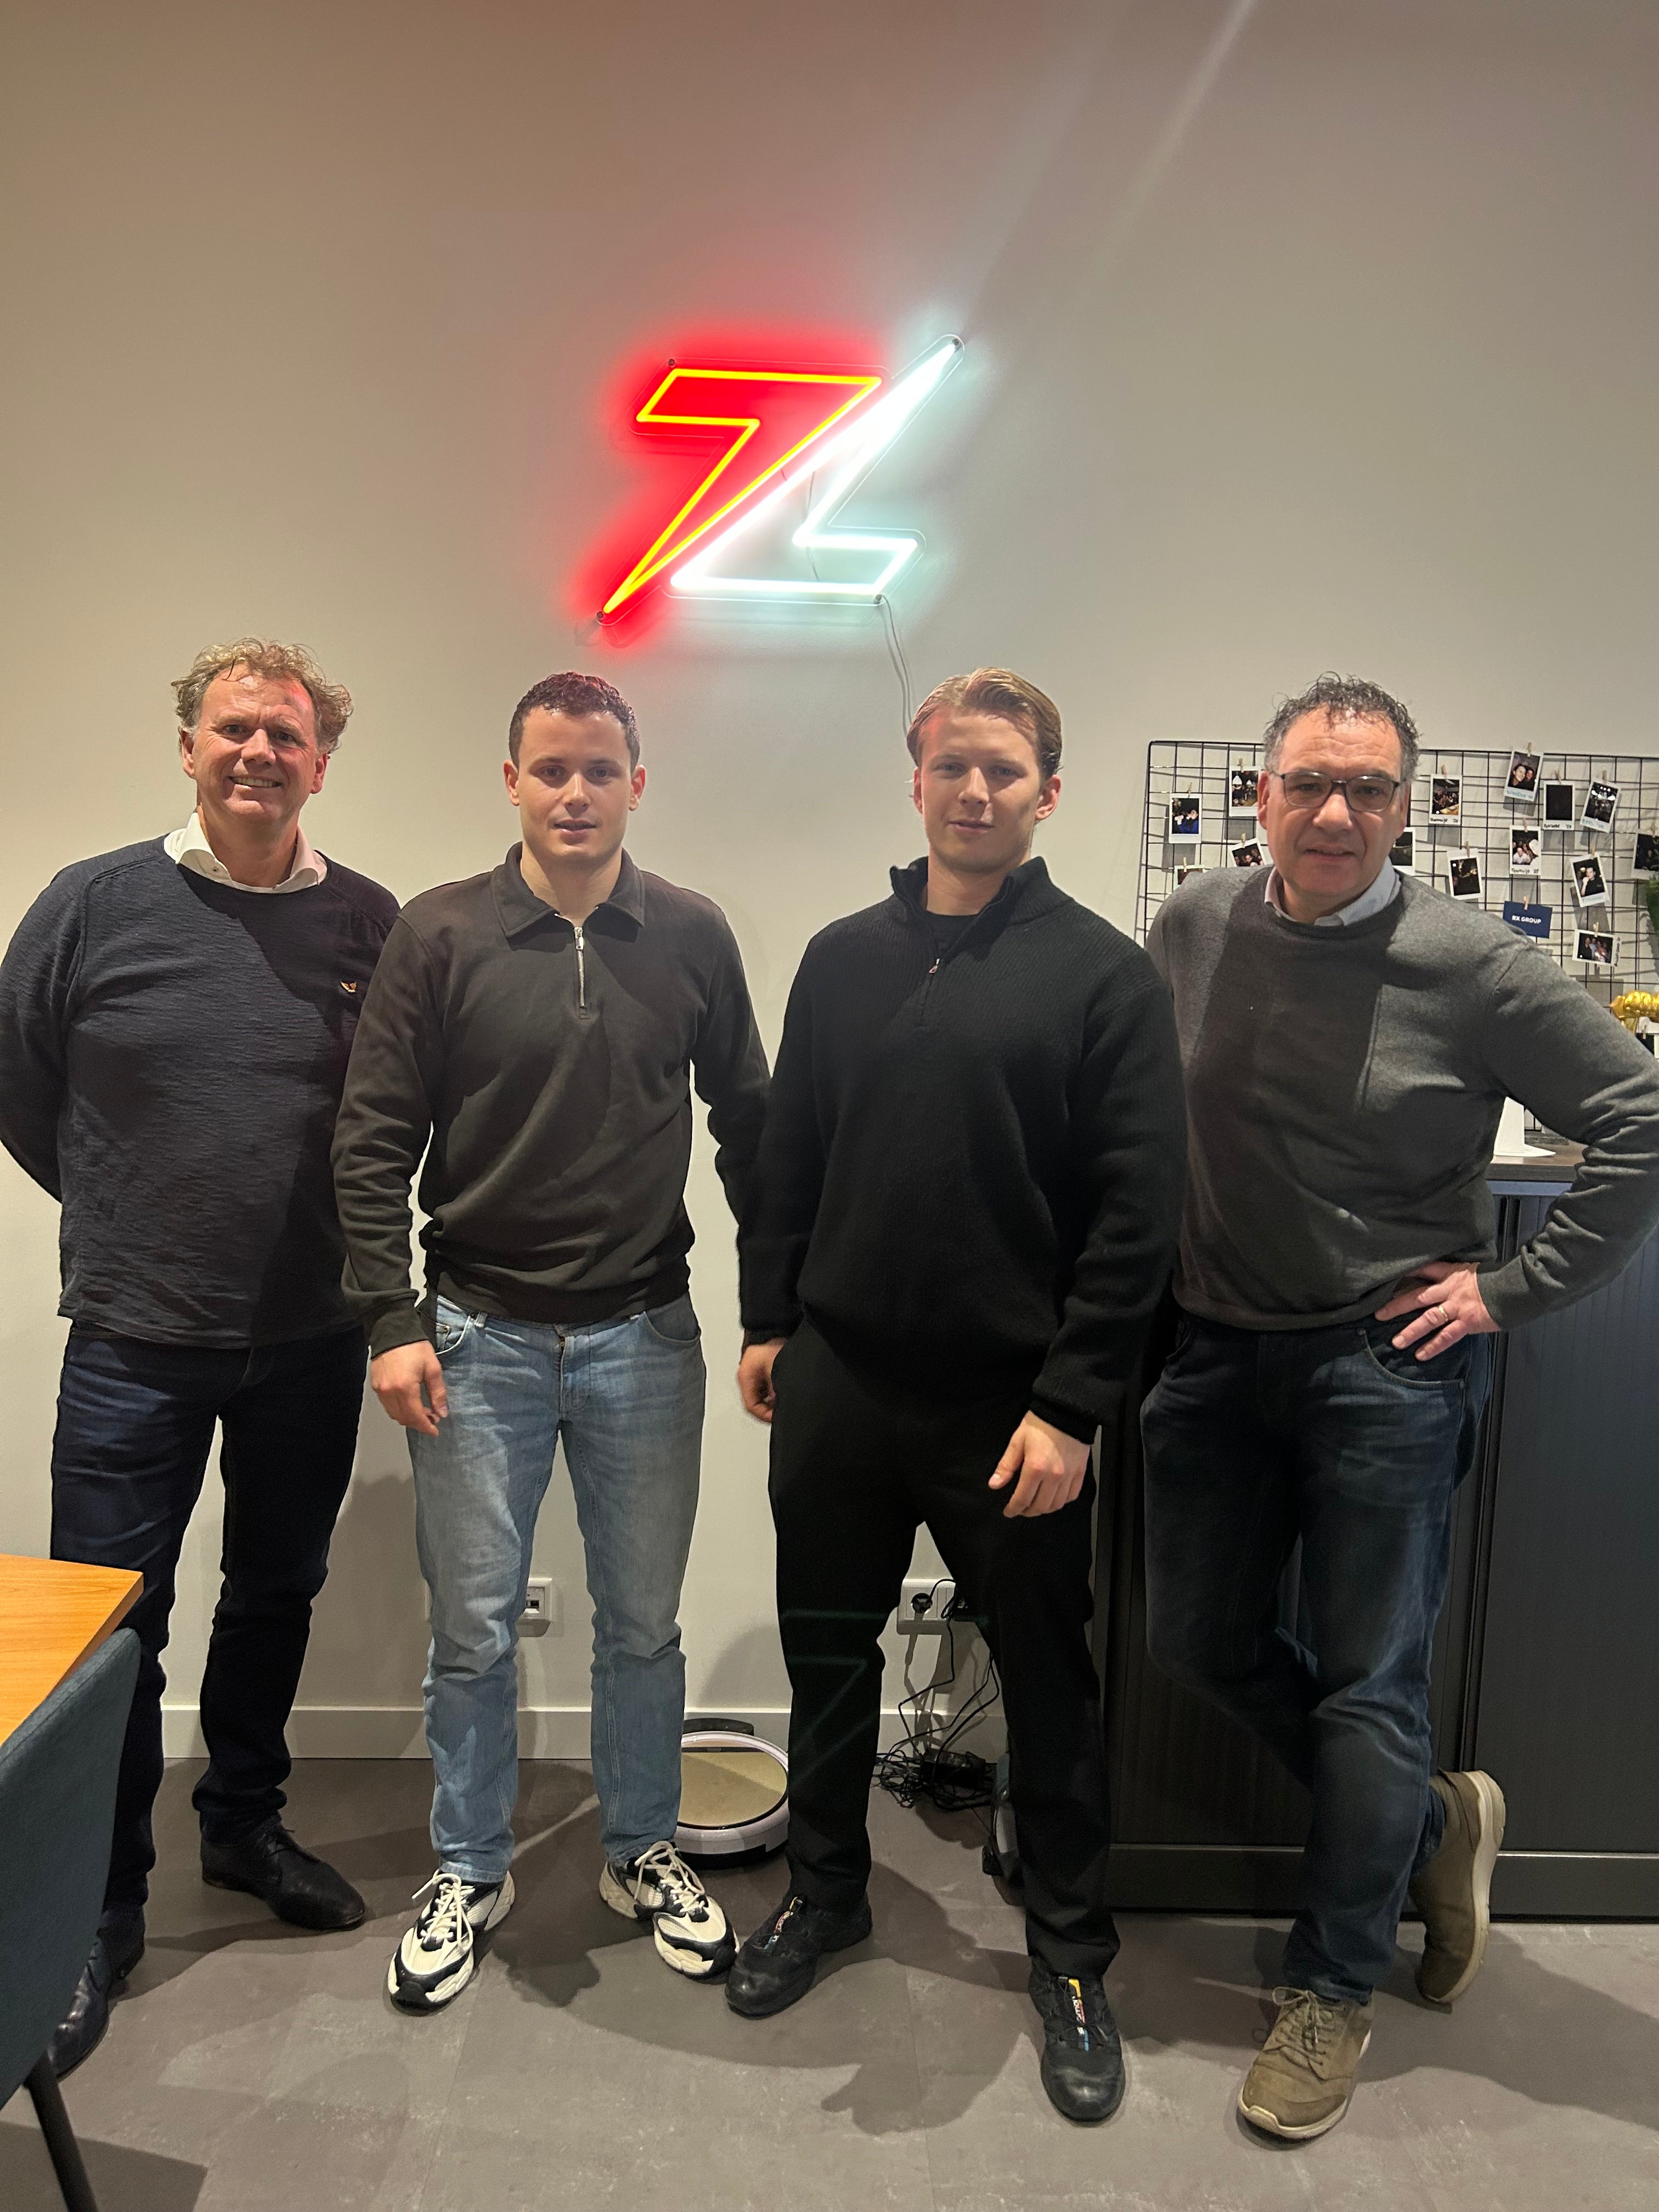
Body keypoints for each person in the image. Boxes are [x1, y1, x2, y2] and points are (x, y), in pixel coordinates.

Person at [1142, 672, 1659, 2141]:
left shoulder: (1474, 965)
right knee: (1197, 1639)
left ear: (1404, 809)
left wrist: (1511, 1291)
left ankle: (1333, 1986)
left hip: (1385, 1369)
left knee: (1374, 1683)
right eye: (1309, 782)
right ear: (1262, 796)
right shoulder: (1193, 923)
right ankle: (1432, 1821)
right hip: (1210, 1350)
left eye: (1368, 788)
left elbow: (1639, 1117)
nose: (1335, 812)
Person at [732, 668, 1186, 2125]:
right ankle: (825, 1897)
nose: (974, 791)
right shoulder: (840, 960)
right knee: (828, 1662)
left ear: (1047, 791)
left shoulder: (1104, 978)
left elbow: (1139, 1214)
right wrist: (767, 1318)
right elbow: (789, 1151)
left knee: (1048, 1688)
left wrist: (1075, 1404)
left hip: (1015, 1410)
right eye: (952, 766)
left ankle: (1069, 1962)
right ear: (916, 779)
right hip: (843, 1384)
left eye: (1003, 770)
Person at [332, 671, 769, 2013]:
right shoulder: (438, 932)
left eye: (599, 771)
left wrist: (778, 1309)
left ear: (638, 783)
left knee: (642, 1627)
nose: (575, 794)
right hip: (478, 1337)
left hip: (645, 1333)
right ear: (511, 780)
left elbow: (752, 1128)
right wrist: (390, 1317)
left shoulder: (690, 933)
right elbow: (372, 1137)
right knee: (470, 1631)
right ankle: (471, 1868)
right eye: (551, 770)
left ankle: (642, 1851)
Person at [0, 639, 398, 2075]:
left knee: (275, 1593)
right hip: (133, 1338)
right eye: (234, 729)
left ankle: (242, 1826)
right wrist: (128, 1213)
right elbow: (19, 1086)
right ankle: (94, 1908)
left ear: (319, 763)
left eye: (285, 736)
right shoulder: (89, 904)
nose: (257, 754)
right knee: (110, 1631)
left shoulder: (369, 922)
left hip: (310, 1334)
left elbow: (393, 1117)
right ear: (189, 748)